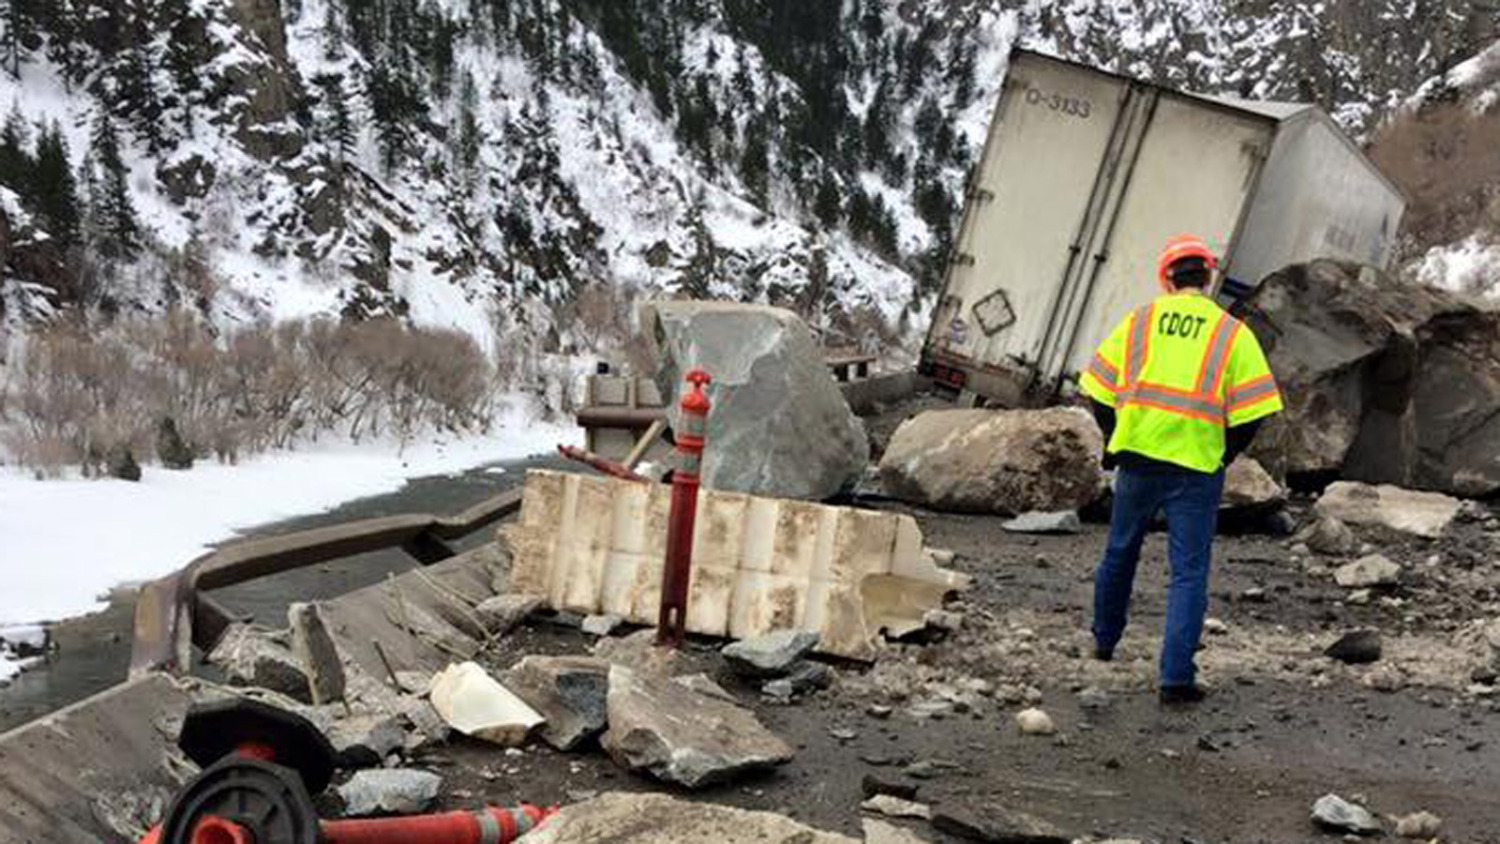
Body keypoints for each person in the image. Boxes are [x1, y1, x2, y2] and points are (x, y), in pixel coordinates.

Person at [1077, 234, 1283, 705]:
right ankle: (1175, 677)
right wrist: (1224, 452)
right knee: (1188, 572)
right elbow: (1255, 410)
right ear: (1208, 278)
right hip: (1195, 468)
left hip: (1138, 461)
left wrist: (1115, 437)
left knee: (1119, 551)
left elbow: (1097, 388)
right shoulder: (1231, 332)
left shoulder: (1140, 322)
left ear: (1167, 277)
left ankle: (1104, 641)